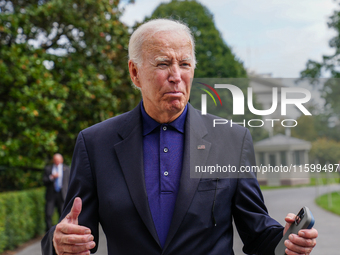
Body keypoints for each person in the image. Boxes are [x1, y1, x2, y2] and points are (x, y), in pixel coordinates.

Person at [42, 19, 318, 255]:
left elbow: (257, 231)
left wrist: (287, 241)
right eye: (163, 64)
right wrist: (58, 242)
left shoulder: (232, 139)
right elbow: (74, 232)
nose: (176, 76)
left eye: (184, 64)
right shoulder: (95, 143)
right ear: (135, 73)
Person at [43, 153, 70, 232]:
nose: (57, 161)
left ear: (62, 160)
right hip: (51, 195)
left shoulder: (67, 169)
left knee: (62, 214)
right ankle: (48, 232)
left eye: (58, 160)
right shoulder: (48, 169)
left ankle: (62, 230)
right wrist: (51, 177)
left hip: (62, 194)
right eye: (55, 160)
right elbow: (44, 181)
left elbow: (70, 182)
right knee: (48, 213)